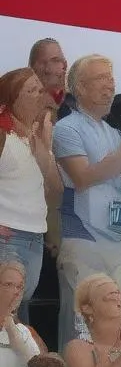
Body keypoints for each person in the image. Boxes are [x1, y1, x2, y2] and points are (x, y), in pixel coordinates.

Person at [52, 56, 121, 349]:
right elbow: (84, 178)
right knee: (82, 324)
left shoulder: (112, 134)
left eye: (111, 78)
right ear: (80, 87)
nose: (110, 84)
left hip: (115, 241)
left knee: (110, 325)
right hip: (84, 239)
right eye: (101, 78)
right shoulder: (68, 128)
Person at [0, 68, 61, 315]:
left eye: (40, 90)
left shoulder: (34, 139)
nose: (39, 95)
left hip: (35, 237)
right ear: (12, 99)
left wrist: (44, 147)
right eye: (31, 90)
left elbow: (56, 187)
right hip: (9, 237)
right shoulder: (4, 137)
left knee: (17, 313)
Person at [0, 258, 39, 367]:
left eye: (19, 287)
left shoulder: (24, 334)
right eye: (9, 285)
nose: (16, 292)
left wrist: (10, 326)